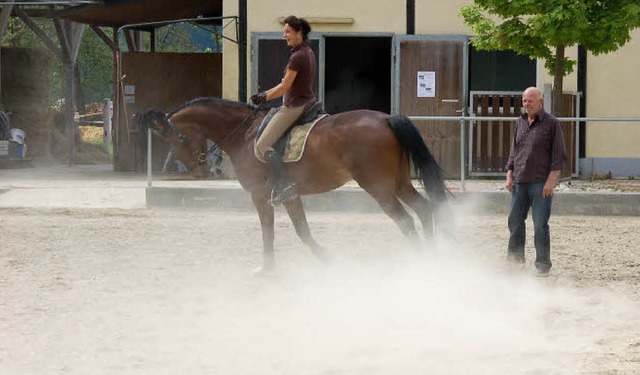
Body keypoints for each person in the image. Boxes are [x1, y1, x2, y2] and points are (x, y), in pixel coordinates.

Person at [250, 15, 316, 206]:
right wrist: (264, 94)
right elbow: (283, 85)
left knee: (262, 145)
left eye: (288, 31)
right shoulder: (307, 51)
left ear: (298, 33)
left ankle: (285, 185)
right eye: (284, 31)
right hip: (305, 101)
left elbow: (284, 87)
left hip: (295, 106)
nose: (284, 35)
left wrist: (263, 97)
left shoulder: (297, 57)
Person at [505, 87, 566, 276]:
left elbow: (559, 155)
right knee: (514, 221)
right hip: (520, 181)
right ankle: (515, 261)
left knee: (540, 225)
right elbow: (514, 151)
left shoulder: (552, 124)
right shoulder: (520, 122)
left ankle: (543, 266)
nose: (526, 104)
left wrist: (551, 181)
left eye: (530, 101)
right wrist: (509, 173)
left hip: (541, 183)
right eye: (524, 100)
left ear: (541, 102)